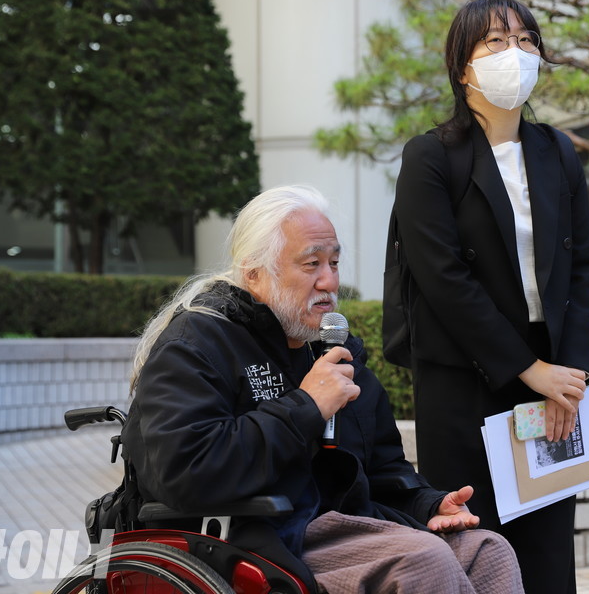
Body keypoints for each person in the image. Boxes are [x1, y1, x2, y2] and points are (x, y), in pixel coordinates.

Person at [121, 185, 523, 594]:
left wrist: (428, 504)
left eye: (334, 262)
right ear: (255, 272)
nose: (329, 281)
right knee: (422, 561)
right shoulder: (198, 344)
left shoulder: (332, 351)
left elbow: (383, 468)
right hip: (252, 536)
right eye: (311, 264)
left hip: (336, 526)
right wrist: (307, 406)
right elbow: (187, 472)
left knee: (488, 550)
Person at [389, 0, 589, 594]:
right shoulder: (430, 157)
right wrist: (530, 371)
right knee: (477, 544)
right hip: (464, 378)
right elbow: (443, 280)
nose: (517, 53)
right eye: (496, 42)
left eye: (527, 40)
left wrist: (571, 376)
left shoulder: (557, 151)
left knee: (549, 550)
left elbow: (583, 269)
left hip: (553, 377)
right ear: (462, 67)